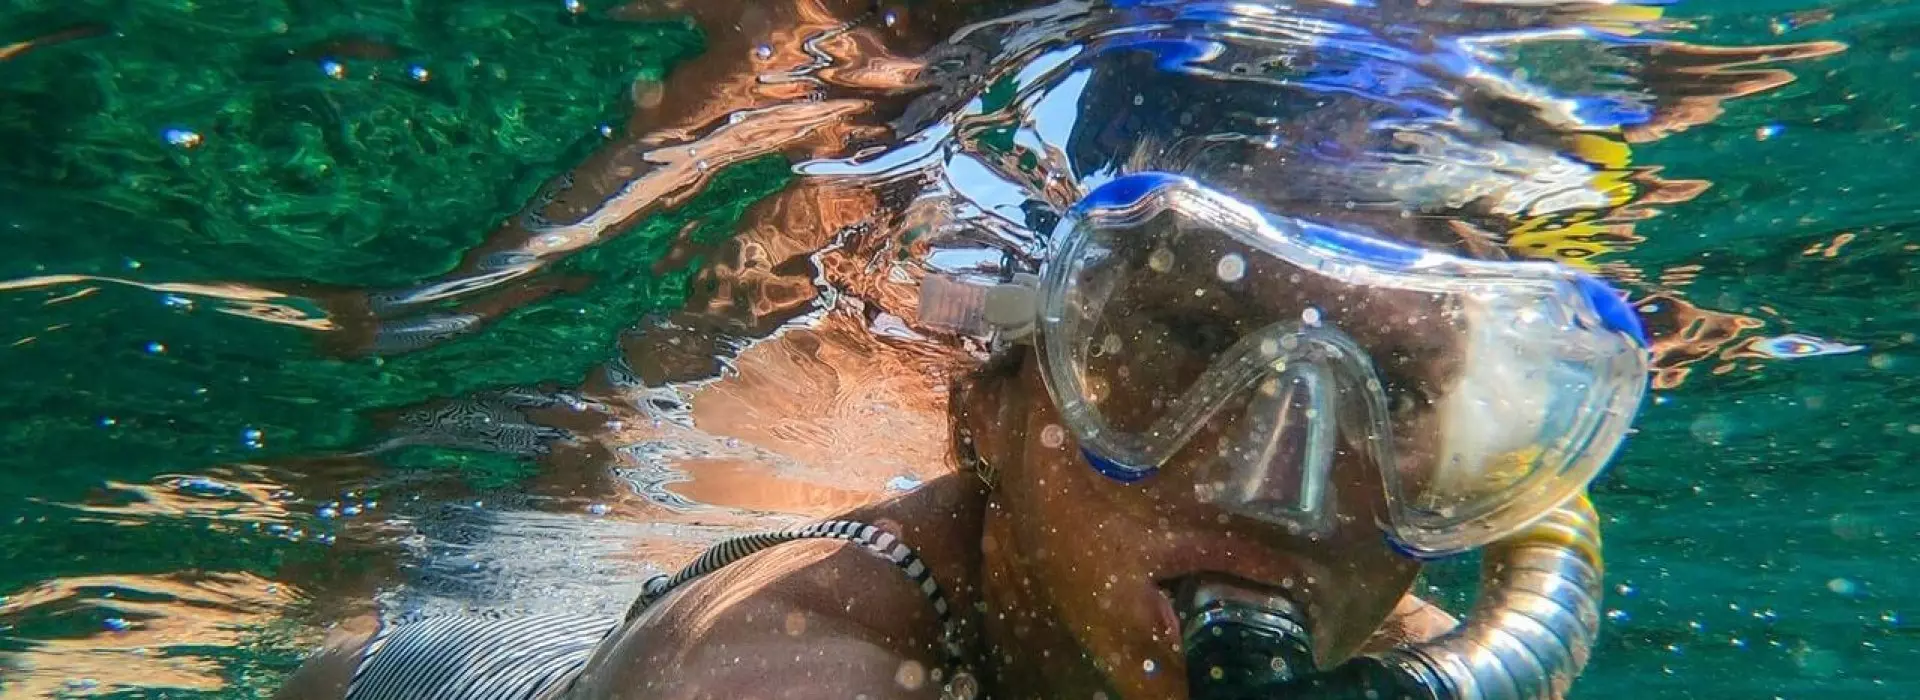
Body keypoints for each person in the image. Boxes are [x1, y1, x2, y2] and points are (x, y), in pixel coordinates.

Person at [273, 0, 1853, 698]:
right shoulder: (776, 668)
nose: (1281, 478)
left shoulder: (1425, 658)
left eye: (1399, 392)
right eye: (1183, 345)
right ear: (994, 395)